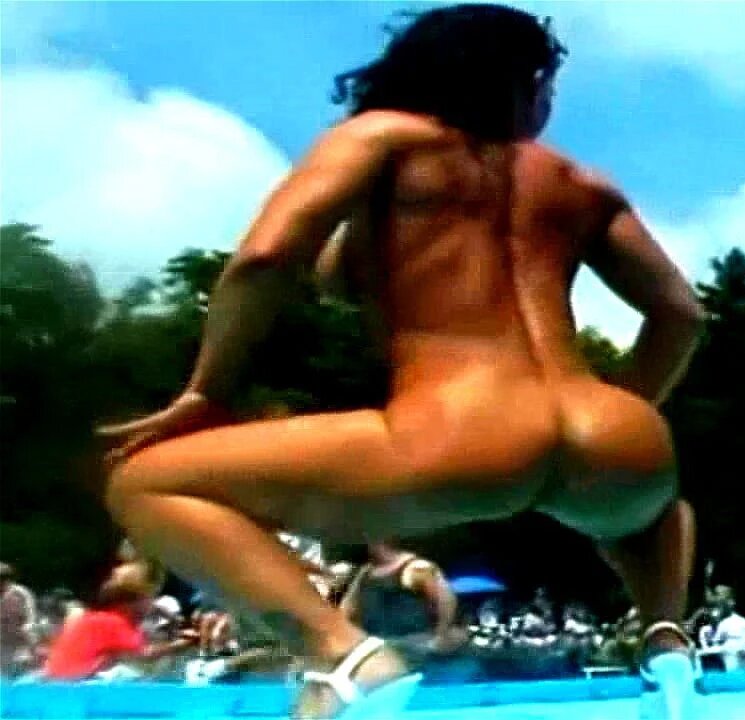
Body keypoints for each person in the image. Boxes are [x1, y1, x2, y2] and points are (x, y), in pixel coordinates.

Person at [97, 4, 703, 718]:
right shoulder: (581, 184)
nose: (548, 103)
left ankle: (342, 654)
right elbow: (681, 313)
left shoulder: (381, 139)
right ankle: (667, 644)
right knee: (646, 514)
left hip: (464, 424)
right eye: (545, 85)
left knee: (146, 483)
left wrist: (208, 391)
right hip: (613, 431)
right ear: (521, 83)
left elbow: (266, 258)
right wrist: (619, 414)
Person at [42, 575, 196, 682]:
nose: (151, 604)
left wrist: (170, 618)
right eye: (147, 600)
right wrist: (184, 643)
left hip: (54, 679)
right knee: (133, 676)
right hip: (75, 683)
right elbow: (145, 654)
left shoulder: (94, 618)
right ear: (128, 604)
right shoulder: (115, 623)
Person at [338, 541, 467, 668]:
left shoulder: (415, 567)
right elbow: (347, 607)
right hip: (380, 647)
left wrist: (440, 633)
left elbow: (446, 599)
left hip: (415, 645)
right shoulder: (364, 573)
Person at [0, 563, 38, 678]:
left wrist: (28, 627)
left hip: (22, 642)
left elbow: (31, 616)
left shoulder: (21, 594)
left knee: (23, 670)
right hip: (3, 643)